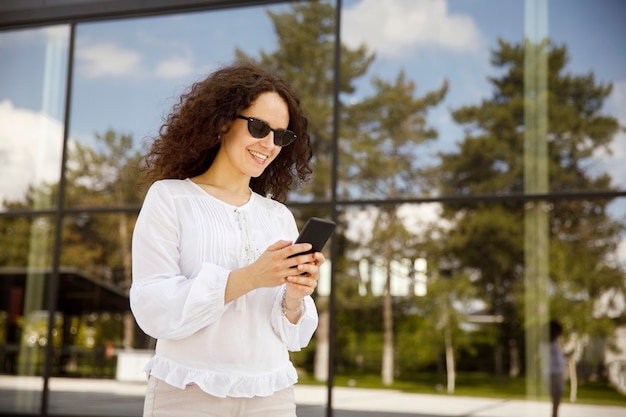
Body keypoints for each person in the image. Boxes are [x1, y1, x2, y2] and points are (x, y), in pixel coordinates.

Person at [130, 61, 324, 417]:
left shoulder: (278, 215)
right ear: (221, 121)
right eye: (259, 127)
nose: (269, 144)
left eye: (281, 136)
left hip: (272, 396)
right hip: (187, 392)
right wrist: (250, 277)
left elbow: (293, 338)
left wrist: (295, 299)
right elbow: (152, 307)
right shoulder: (170, 198)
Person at [548, 320, 566, 417]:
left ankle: (555, 414)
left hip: (553, 372)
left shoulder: (551, 343)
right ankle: (555, 414)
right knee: (557, 394)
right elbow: (558, 360)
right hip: (555, 372)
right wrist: (566, 357)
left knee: (556, 396)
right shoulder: (553, 344)